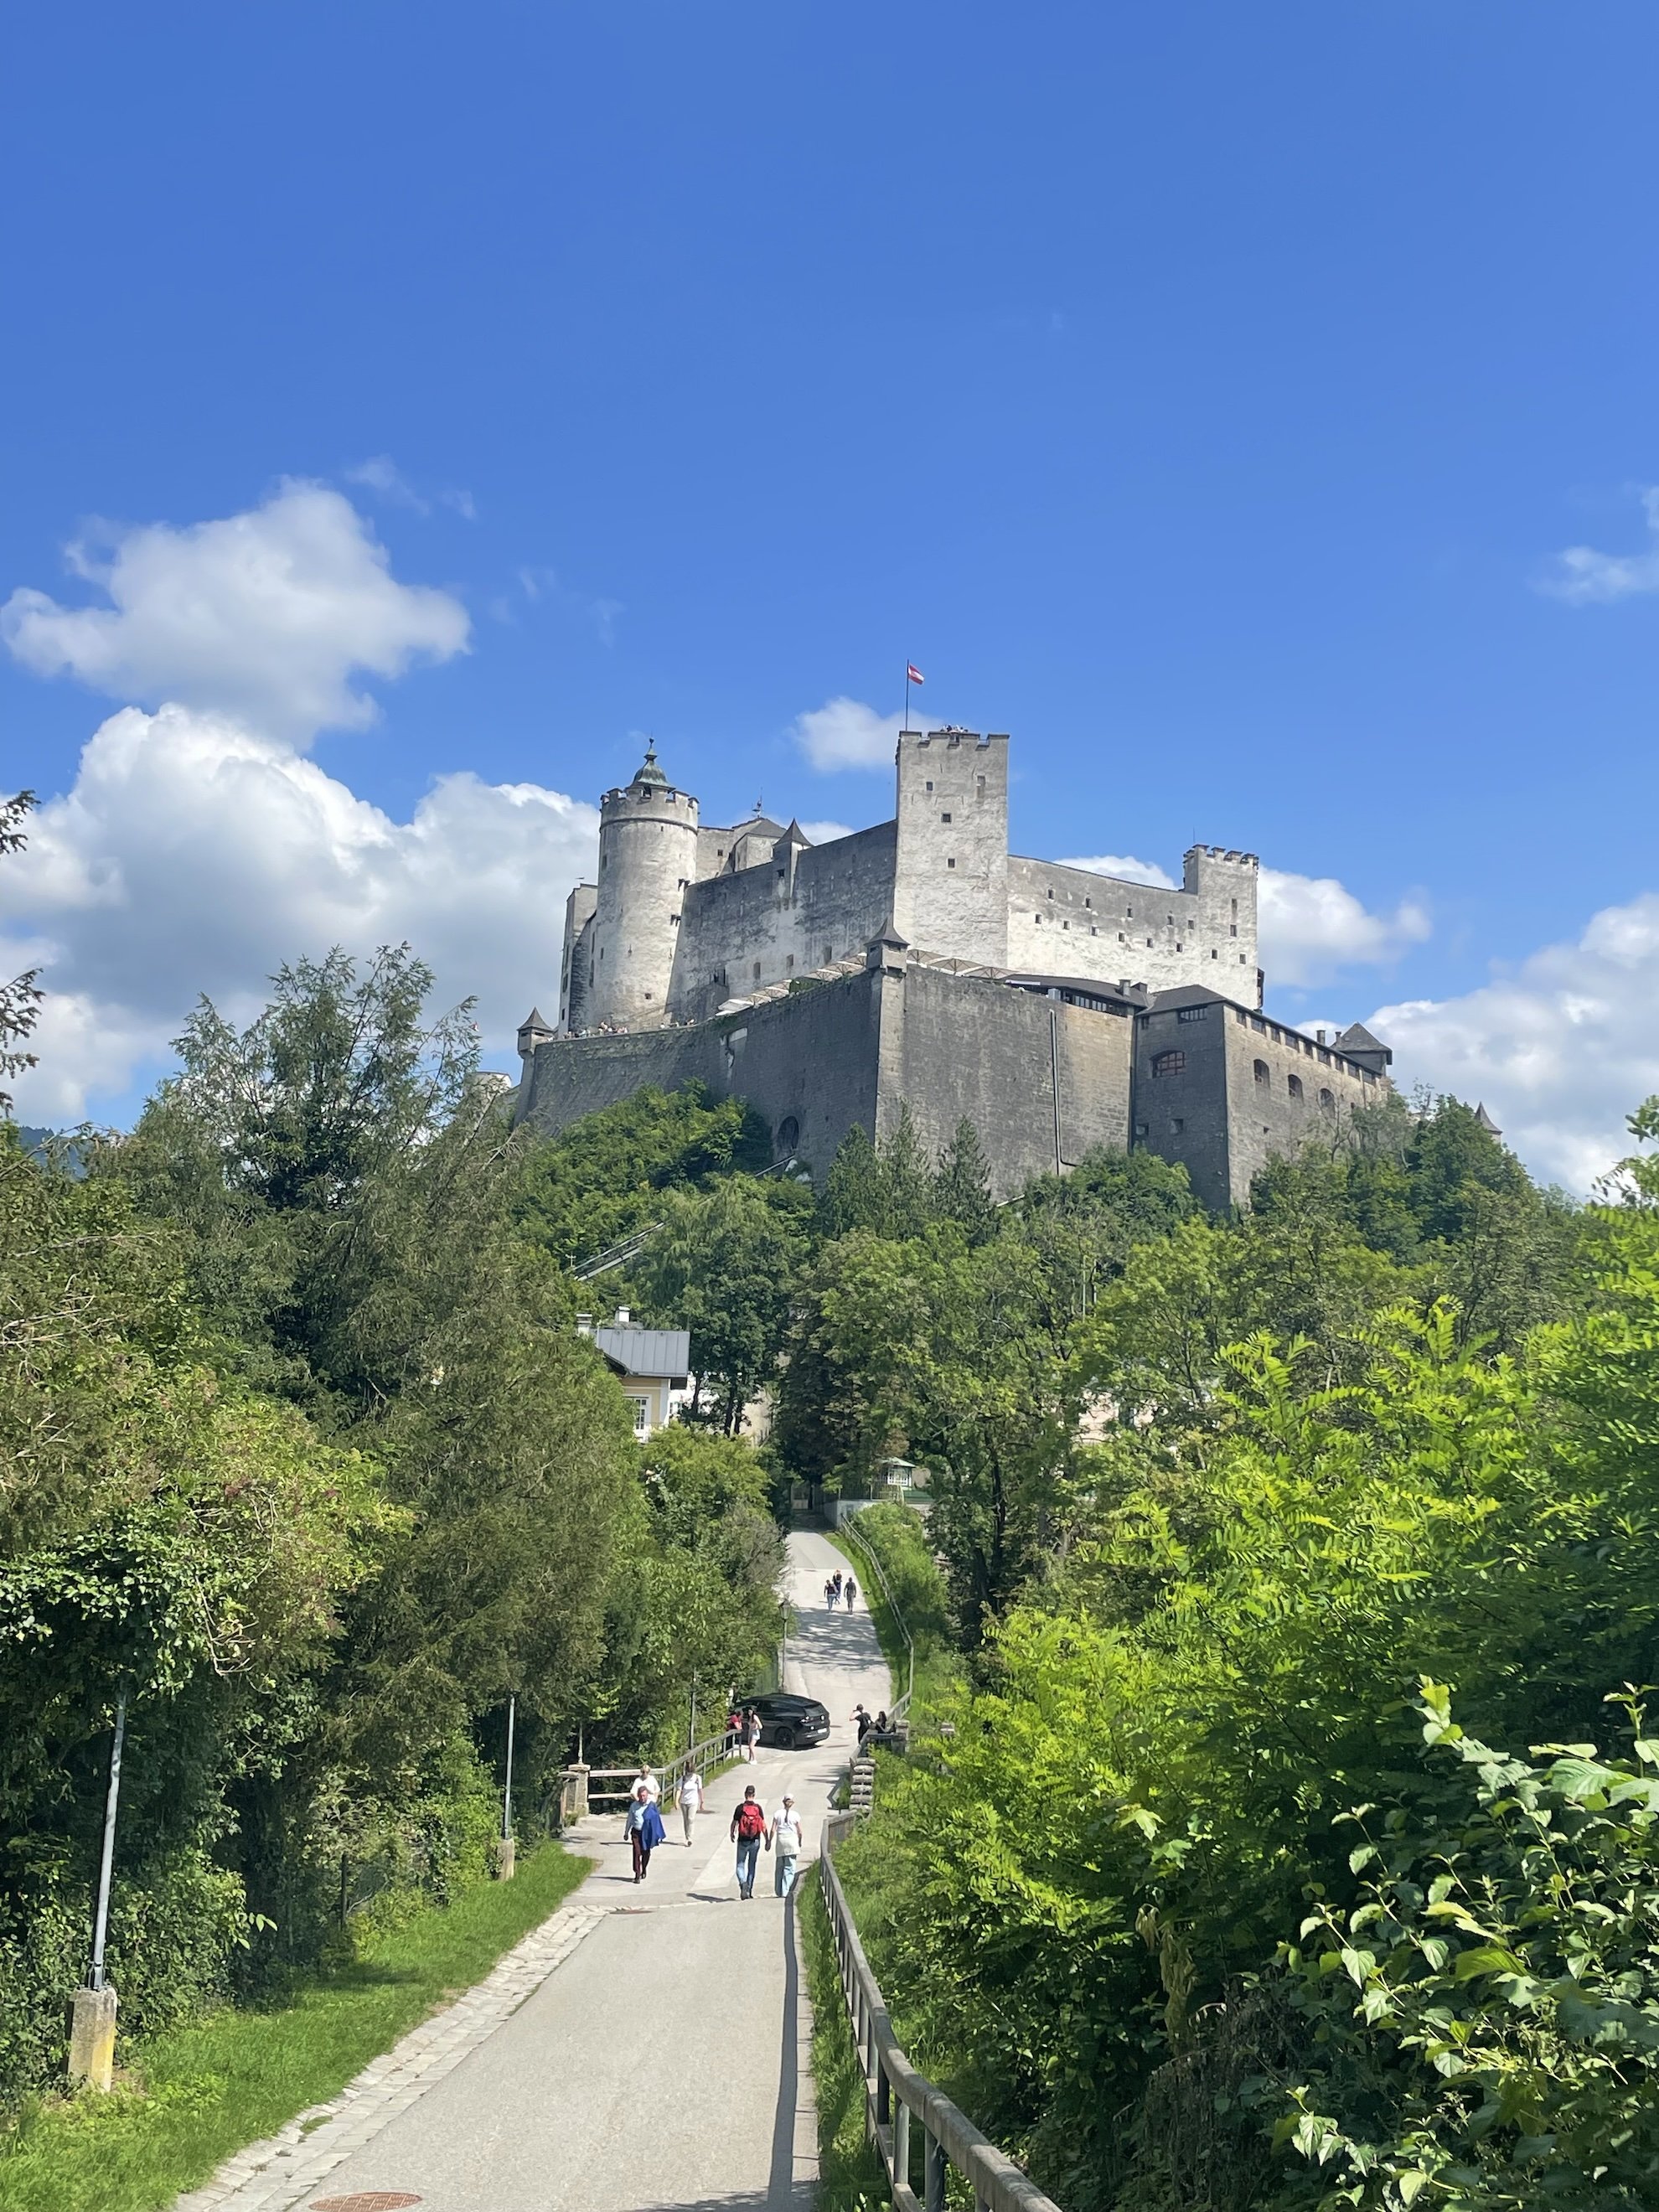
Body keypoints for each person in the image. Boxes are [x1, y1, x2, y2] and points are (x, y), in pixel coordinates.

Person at [624, 1782, 667, 1884]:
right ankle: (637, 1874)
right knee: (637, 1852)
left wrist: (658, 1834)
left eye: (644, 1795)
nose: (642, 1798)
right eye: (641, 1796)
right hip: (636, 1832)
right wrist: (626, 1832)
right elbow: (630, 1819)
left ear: (647, 1795)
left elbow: (657, 1821)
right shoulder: (634, 1806)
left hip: (647, 1833)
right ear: (638, 1796)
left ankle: (644, 1868)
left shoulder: (651, 1806)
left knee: (646, 1853)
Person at [731, 1784, 767, 1898]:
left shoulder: (740, 1808)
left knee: (740, 1865)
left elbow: (734, 1823)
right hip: (755, 1840)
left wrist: (732, 1833)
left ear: (745, 1794)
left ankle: (743, 1883)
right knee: (752, 1865)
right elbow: (763, 1825)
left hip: (742, 1840)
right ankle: (749, 1890)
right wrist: (767, 1839)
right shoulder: (758, 1808)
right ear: (754, 1795)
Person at [768, 1794, 804, 1897]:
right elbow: (800, 1831)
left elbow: (773, 1829)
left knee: (779, 1867)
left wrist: (769, 1841)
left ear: (783, 1802)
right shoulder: (795, 1815)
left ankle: (778, 1890)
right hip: (792, 1840)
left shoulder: (777, 1814)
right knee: (789, 1867)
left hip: (781, 1840)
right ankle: (786, 1890)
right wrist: (799, 1841)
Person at [679, 1765, 704, 1843]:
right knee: (686, 1820)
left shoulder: (697, 1778)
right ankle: (687, 1835)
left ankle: (689, 1837)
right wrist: (676, 1801)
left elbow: (700, 1790)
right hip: (683, 1802)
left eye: (691, 1771)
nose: (689, 1773)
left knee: (690, 1818)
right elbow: (679, 1790)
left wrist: (702, 1801)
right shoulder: (683, 1779)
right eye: (688, 1771)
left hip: (693, 1801)